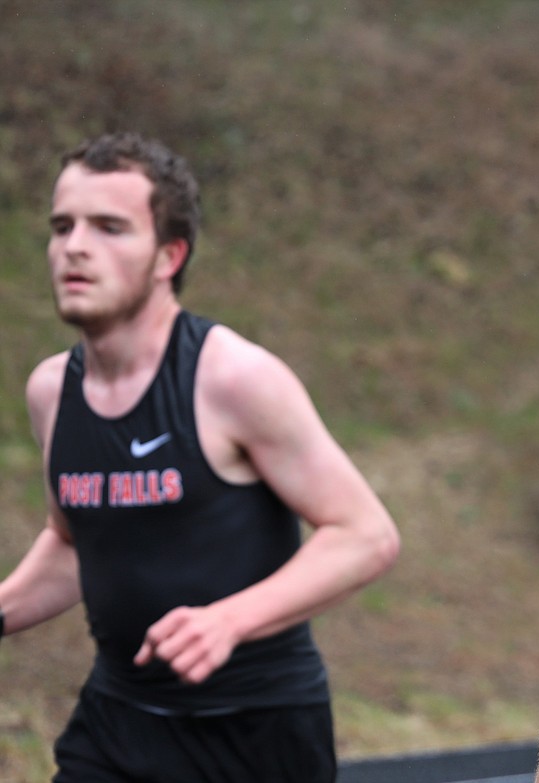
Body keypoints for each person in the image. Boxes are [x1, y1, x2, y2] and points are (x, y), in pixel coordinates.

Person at [0, 132, 401, 782]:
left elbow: (366, 535)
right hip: (118, 724)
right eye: (62, 225)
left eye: (109, 227)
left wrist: (228, 621)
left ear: (169, 255)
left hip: (256, 732)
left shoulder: (233, 380)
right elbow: (75, 543)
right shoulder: (51, 391)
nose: (74, 245)